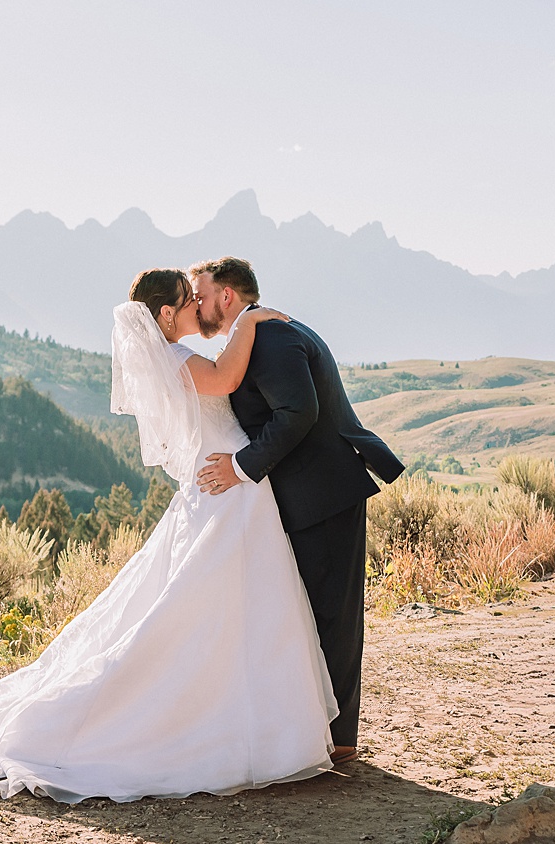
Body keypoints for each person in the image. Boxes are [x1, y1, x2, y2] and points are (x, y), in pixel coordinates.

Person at [0, 268, 339, 803]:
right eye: (189, 301)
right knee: (213, 608)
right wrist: (250, 320)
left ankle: (248, 724)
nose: (196, 307)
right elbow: (227, 380)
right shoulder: (177, 359)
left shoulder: (173, 356)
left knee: (236, 607)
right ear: (166, 315)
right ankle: (232, 730)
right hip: (225, 483)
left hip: (227, 484)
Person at [190, 257, 404, 766]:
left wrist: (240, 466)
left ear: (227, 295)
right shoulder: (257, 334)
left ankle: (338, 739)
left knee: (332, 615)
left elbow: (298, 413)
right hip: (301, 497)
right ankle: (310, 731)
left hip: (323, 494)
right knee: (305, 614)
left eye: (201, 295)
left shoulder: (272, 337)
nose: (196, 305)